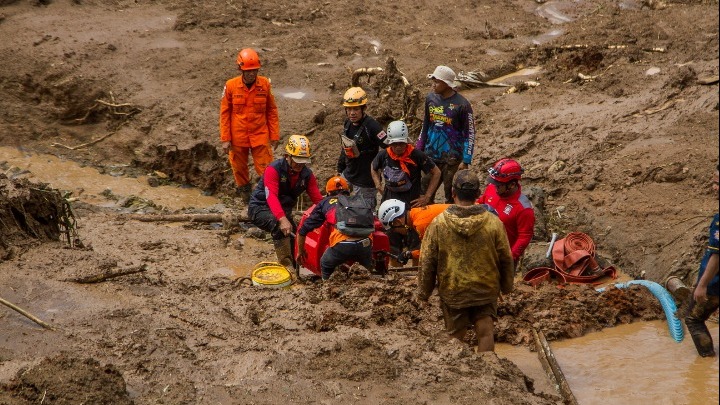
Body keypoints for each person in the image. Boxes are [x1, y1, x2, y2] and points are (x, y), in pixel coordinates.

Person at [417, 169, 514, 352]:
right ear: (478, 194)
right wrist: (507, 286)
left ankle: (458, 374)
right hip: (485, 288)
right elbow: (506, 258)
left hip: (454, 290)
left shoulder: (439, 223)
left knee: (455, 334)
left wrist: (424, 293)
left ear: (453, 193)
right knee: (485, 333)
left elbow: (427, 261)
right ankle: (489, 371)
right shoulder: (493, 222)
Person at [248, 135, 323, 267]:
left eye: (303, 161)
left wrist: (330, 211)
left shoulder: (307, 175)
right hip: (261, 208)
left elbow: (318, 199)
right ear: (287, 156)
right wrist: (282, 219)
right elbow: (271, 197)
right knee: (280, 228)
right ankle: (287, 267)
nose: (300, 165)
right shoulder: (274, 170)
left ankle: (299, 266)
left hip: (283, 212)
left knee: (296, 236)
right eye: (297, 160)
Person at [371, 120, 441, 256]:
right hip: (390, 202)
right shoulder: (384, 155)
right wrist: (378, 184)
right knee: (392, 242)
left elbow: (436, 172)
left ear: (406, 142)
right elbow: (373, 168)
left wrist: (427, 196)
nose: (398, 147)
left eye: (401, 143)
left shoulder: (416, 155)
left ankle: (415, 270)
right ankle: (395, 270)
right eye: (394, 144)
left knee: (415, 241)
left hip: (412, 203)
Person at [219, 48, 280, 203]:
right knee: (239, 169)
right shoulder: (231, 86)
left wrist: (274, 135)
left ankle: (266, 200)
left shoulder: (265, 84)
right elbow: (225, 113)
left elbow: (271, 110)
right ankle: (246, 200)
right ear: (241, 69)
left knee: (267, 169)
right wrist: (225, 139)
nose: (252, 74)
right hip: (238, 137)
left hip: (260, 135)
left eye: (254, 70)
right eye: (248, 71)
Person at [417, 65, 476, 204]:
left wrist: (466, 160)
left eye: (437, 82)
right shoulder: (430, 99)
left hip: (453, 159)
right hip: (431, 156)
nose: (433, 85)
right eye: (433, 81)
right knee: (424, 194)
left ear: (447, 84)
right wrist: (418, 149)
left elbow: (470, 133)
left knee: (451, 195)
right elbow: (425, 125)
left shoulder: (462, 105)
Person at [296, 176, 373, 280]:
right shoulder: (358, 201)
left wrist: (300, 251)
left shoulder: (325, 202)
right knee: (366, 272)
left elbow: (303, 230)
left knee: (326, 263)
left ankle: (328, 289)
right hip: (366, 242)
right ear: (348, 191)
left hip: (342, 244)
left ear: (328, 193)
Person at [684, 165, 719, 357]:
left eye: (717, 184)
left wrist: (702, 285)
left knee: (693, 319)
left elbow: (717, 255)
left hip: (715, 284)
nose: (714, 187)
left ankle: (707, 359)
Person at [476, 158, 535, 268]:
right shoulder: (491, 188)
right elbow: (480, 203)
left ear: (511, 185)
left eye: (498, 185)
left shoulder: (523, 208)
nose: (494, 187)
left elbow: (525, 236)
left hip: (502, 257)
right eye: (493, 183)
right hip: (482, 249)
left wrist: (510, 257)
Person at [336, 87, 387, 209]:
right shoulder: (347, 123)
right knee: (338, 205)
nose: (352, 113)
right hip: (348, 173)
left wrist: (380, 170)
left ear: (363, 108)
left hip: (366, 180)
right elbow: (345, 147)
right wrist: (339, 168)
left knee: (364, 213)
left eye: (356, 109)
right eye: (349, 109)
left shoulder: (373, 127)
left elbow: (388, 147)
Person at [377, 199, 450, 265]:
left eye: (394, 229)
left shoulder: (421, 224)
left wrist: (410, 254)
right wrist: (409, 254)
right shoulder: (416, 213)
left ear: (398, 221)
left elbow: (429, 253)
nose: (396, 232)